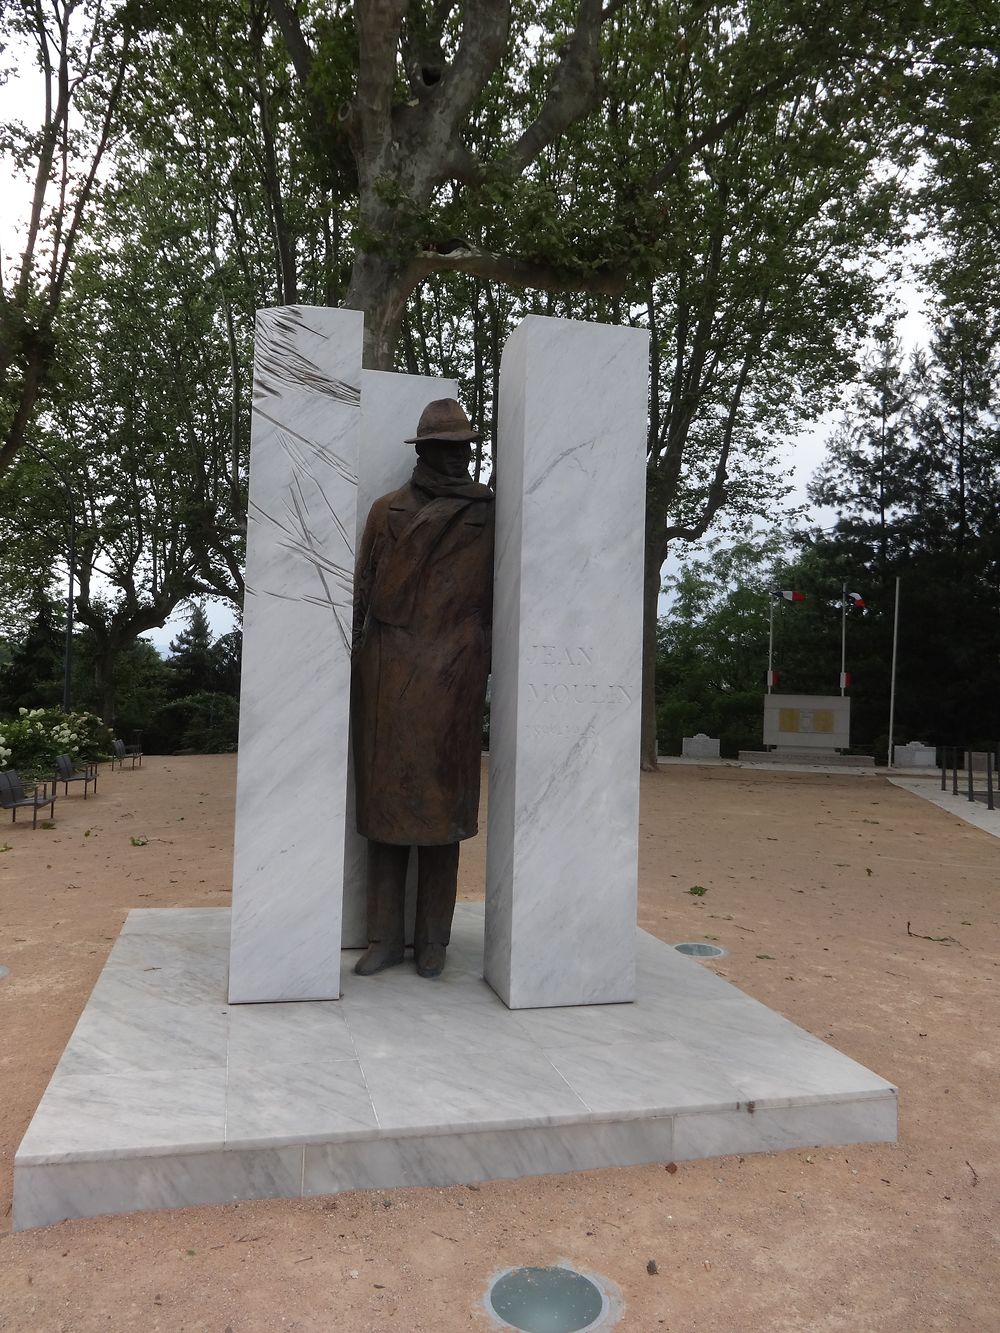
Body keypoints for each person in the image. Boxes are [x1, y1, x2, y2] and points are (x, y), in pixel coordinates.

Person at [351, 398, 494, 978]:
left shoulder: (488, 513)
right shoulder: (388, 511)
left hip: (455, 676)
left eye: (465, 447)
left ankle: (434, 939)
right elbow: (363, 592)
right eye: (450, 447)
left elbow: (498, 598)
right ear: (427, 451)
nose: (461, 457)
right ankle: (384, 939)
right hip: (389, 675)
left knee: (443, 814)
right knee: (386, 812)